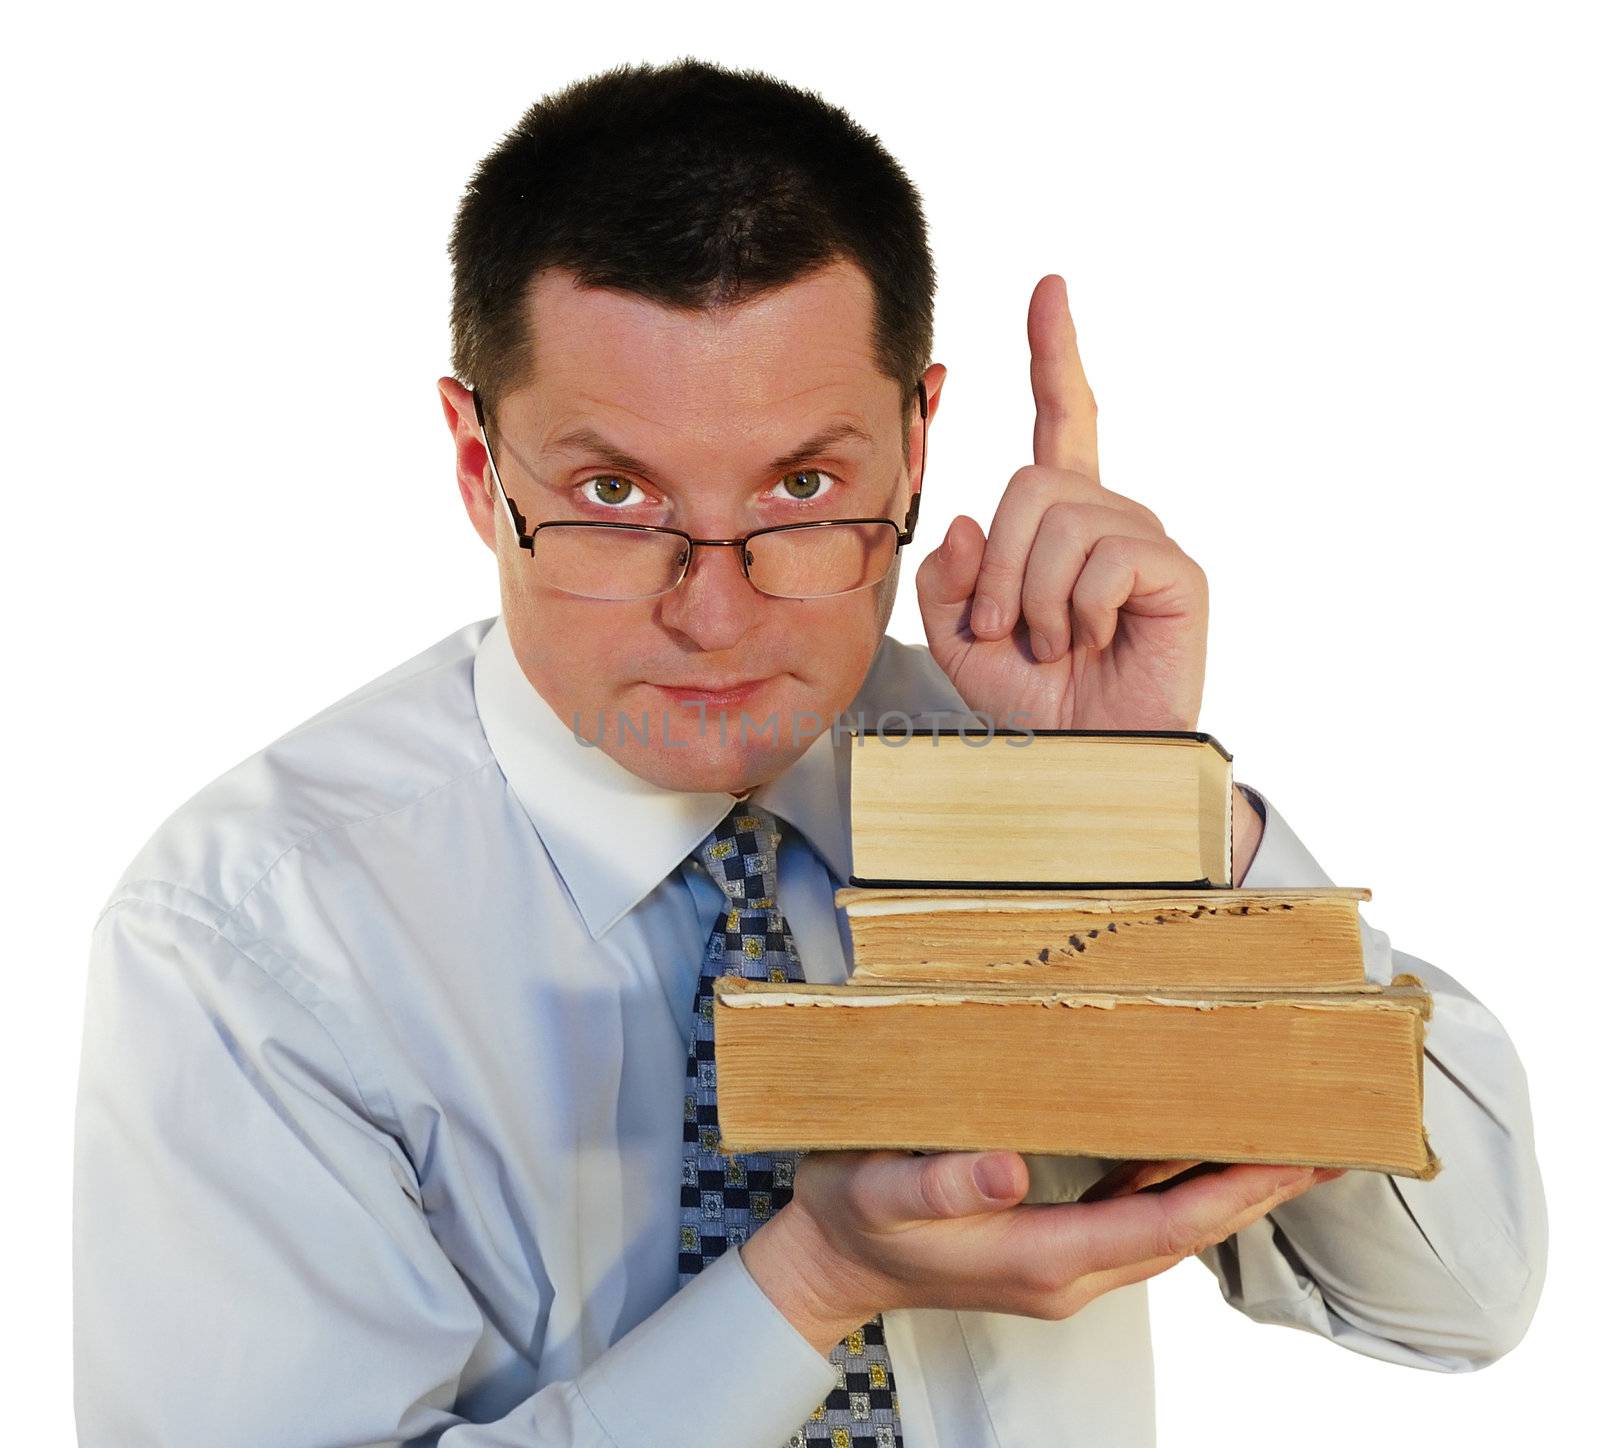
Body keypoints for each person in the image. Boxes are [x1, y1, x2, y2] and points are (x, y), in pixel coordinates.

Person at [73, 57, 1546, 1448]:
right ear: (478, 467)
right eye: (612, 492)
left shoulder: (1041, 770)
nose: (715, 612)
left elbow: (1461, 1297)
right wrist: (812, 1282)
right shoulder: (251, 934)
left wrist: (1159, 813)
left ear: (917, 447)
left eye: (801, 486)